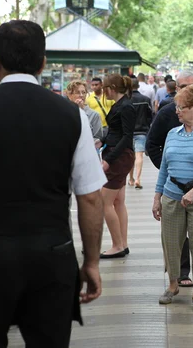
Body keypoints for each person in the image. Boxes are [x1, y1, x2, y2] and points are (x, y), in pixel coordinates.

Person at [0, 20, 105, 346]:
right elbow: (91, 197)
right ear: (43, 62)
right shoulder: (72, 115)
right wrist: (91, 261)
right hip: (51, 256)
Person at [146, 71, 193, 287]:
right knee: (173, 238)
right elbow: (153, 145)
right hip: (174, 189)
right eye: (183, 87)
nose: (189, 91)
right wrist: (171, 170)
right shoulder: (167, 113)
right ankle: (179, 275)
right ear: (176, 89)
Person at [100, 74, 136, 259]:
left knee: (104, 201)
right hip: (118, 154)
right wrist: (102, 141)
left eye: (105, 87)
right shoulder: (122, 104)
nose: (103, 90)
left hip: (119, 157)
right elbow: (117, 132)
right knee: (117, 201)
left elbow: (126, 136)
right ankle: (122, 243)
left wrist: (109, 159)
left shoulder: (125, 106)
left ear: (111, 87)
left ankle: (117, 245)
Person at [128, 77, 153, 190]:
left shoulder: (126, 100)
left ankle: (131, 178)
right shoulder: (145, 99)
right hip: (141, 131)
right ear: (138, 86)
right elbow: (150, 115)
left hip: (128, 132)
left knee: (130, 156)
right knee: (139, 155)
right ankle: (138, 178)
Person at [66, 80, 104, 144]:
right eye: (77, 92)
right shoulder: (65, 113)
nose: (81, 95)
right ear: (70, 95)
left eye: (84, 92)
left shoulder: (94, 115)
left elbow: (98, 138)